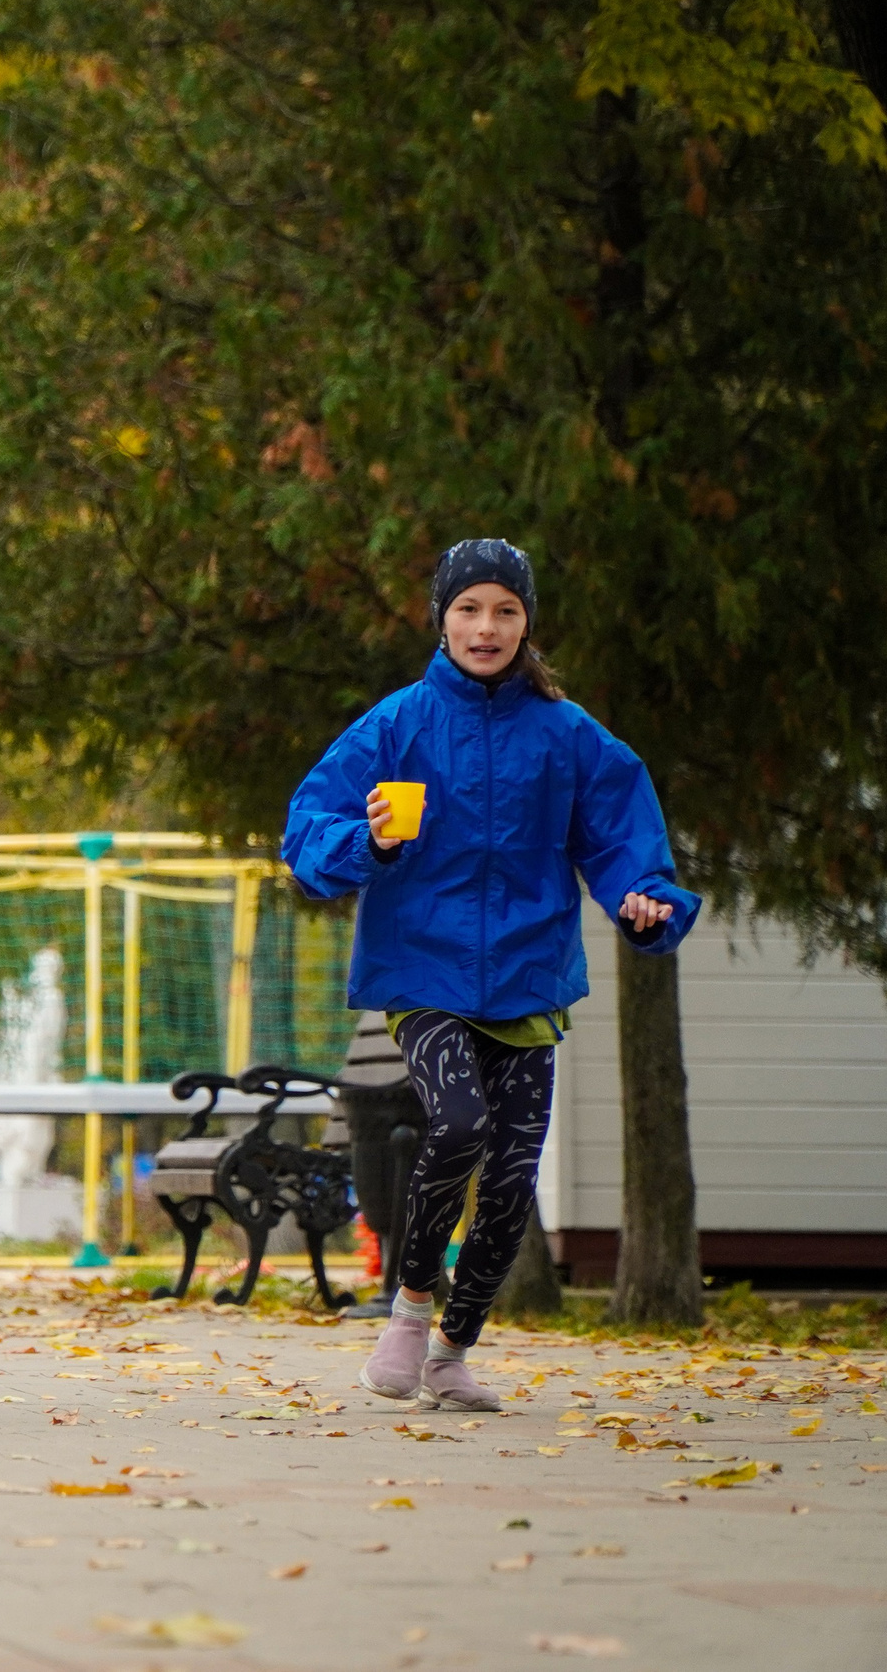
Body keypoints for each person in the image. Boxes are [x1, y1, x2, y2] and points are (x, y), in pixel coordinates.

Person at [283, 539, 698, 1410]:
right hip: (420, 970)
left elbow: (621, 837)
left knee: (512, 1175)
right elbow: (308, 832)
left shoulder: (567, 732)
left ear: (526, 623)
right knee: (460, 1123)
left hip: (529, 974)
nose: (486, 625)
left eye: (505, 610)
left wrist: (643, 898)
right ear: (441, 617)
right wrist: (369, 840)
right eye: (469, 608)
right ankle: (408, 1307)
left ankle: (451, 1350)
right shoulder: (396, 724)